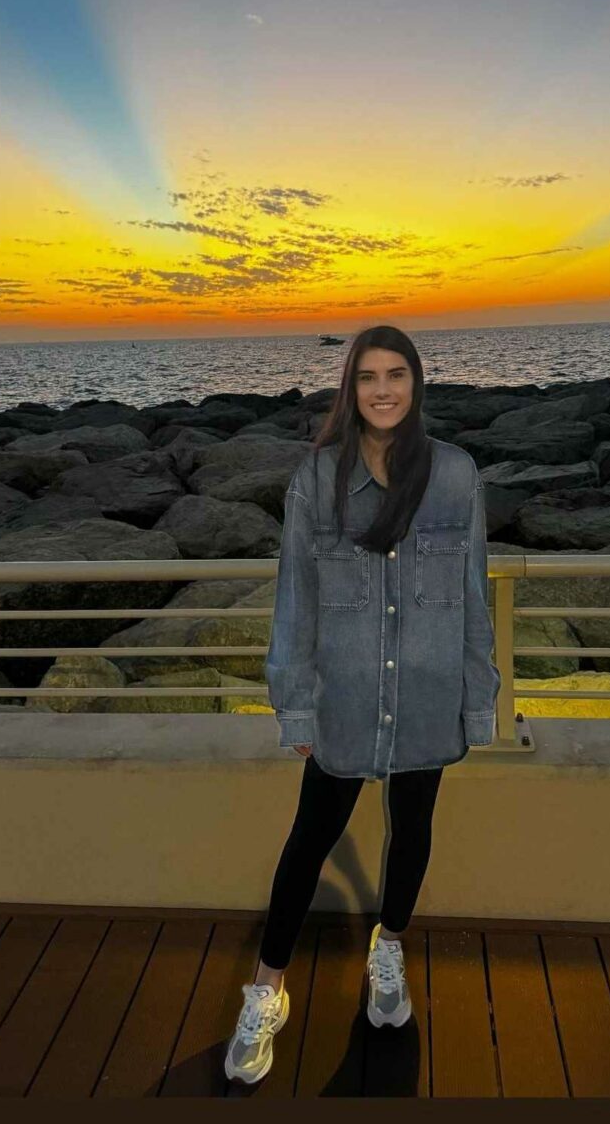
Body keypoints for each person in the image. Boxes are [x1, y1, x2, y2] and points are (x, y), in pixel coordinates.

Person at [225, 324, 501, 1085]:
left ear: (416, 383)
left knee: (413, 830)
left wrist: (478, 702)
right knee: (309, 838)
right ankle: (268, 988)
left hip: (428, 693)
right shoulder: (316, 480)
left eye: (396, 374)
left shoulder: (455, 474)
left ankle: (389, 948)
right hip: (343, 696)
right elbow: (294, 602)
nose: (383, 390)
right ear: (350, 389)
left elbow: (473, 594)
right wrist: (296, 707)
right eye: (368, 377)